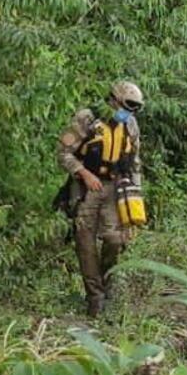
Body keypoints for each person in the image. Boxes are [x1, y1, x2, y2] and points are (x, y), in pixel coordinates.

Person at [57, 80, 144, 317]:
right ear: (114, 99)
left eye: (136, 108)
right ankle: (95, 298)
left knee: (115, 240)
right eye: (128, 106)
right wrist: (83, 174)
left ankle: (106, 282)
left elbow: (135, 164)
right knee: (85, 243)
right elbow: (63, 153)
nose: (130, 112)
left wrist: (135, 202)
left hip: (116, 187)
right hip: (86, 187)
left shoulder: (131, 126)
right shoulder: (87, 119)